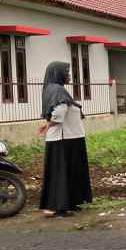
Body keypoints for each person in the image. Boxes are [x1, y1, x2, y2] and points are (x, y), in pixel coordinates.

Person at [37, 61, 92, 217]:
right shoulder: (57, 90)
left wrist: (47, 124)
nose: (68, 76)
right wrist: (49, 124)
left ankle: (69, 203)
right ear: (58, 74)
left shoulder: (53, 89)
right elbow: (60, 111)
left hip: (68, 137)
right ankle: (59, 207)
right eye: (66, 73)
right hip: (65, 139)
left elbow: (59, 111)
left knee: (67, 172)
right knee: (62, 173)